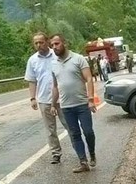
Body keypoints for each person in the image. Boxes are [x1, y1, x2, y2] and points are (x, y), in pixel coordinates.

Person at [49, 34, 97, 173]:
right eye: (52, 45)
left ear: (64, 43)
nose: (54, 47)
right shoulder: (53, 64)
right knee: (74, 134)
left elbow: (88, 78)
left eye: (57, 44)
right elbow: (55, 86)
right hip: (66, 106)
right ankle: (83, 161)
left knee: (88, 132)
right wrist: (53, 104)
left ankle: (92, 154)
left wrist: (91, 100)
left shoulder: (78, 59)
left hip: (82, 104)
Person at [24, 32, 68, 164]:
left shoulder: (56, 54)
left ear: (47, 42)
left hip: (62, 98)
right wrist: (32, 98)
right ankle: (56, 153)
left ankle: (79, 151)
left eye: (41, 42)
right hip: (44, 99)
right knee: (50, 129)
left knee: (69, 125)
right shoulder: (32, 60)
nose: (39, 45)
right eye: (36, 43)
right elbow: (32, 80)